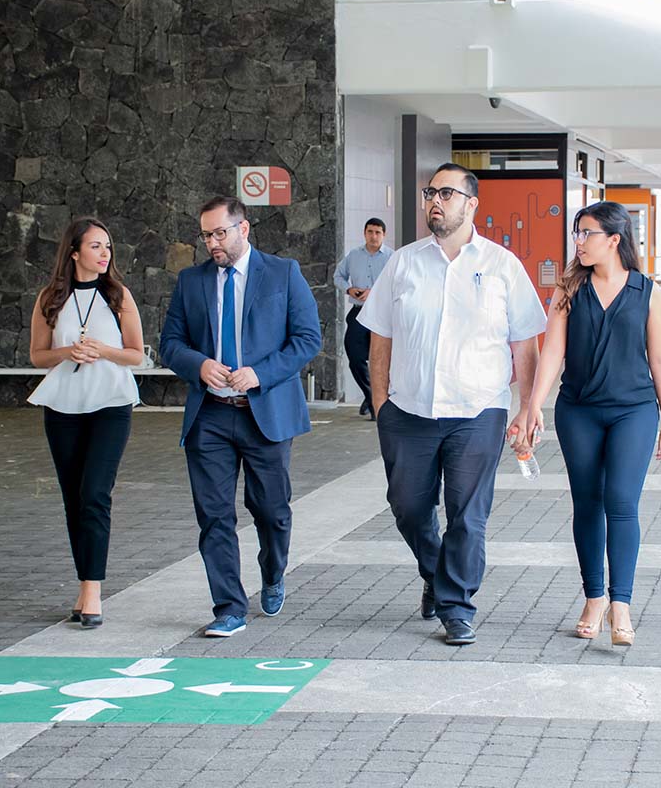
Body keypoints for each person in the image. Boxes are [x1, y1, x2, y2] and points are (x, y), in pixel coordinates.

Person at [360, 163, 547, 646]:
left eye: (446, 192)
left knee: (468, 513)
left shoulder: (503, 265)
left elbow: (525, 343)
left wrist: (528, 408)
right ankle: (438, 573)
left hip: (478, 409)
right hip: (407, 411)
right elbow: (379, 338)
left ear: (471, 204)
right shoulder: (403, 262)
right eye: (429, 192)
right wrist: (380, 403)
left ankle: (457, 606)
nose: (434, 201)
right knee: (407, 506)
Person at [516, 201, 661, 647]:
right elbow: (553, 352)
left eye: (586, 233)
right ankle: (594, 597)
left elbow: (659, 358)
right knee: (587, 503)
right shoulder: (568, 287)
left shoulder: (647, 291)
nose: (578, 242)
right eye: (576, 234)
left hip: (634, 411)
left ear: (614, 239)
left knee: (621, 501)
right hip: (579, 411)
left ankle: (621, 604)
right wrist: (533, 405)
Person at [160, 196, 321, 638]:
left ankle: (272, 572)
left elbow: (308, 338)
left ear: (243, 229)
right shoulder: (191, 282)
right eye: (206, 235)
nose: (212, 242)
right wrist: (198, 365)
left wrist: (259, 374)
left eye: (220, 233)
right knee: (214, 515)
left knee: (270, 510)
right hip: (210, 415)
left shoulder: (283, 273)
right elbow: (170, 342)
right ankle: (229, 607)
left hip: (264, 412)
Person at [28, 218, 143, 629]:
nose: (105, 253)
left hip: (111, 404)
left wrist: (103, 350)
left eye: (108, 246)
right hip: (62, 407)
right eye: (96, 246)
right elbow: (37, 356)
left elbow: (136, 355)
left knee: (95, 493)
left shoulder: (118, 295)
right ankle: (83, 584)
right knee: (73, 497)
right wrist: (66, 352)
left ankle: (92, 590)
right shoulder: (50, 297)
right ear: (74, 252)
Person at [333, 217, 392, 418]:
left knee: (381, 358)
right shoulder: (353, 255)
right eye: (370, 232)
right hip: (358, 313)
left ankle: (376, 403)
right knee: (355, 357)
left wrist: (374, 293)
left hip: (382, 313)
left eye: (377, 232)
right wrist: (349, 289)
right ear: (364, 233)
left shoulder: (392, 257)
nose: (373, 236)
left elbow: (398, 284)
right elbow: (337, 276)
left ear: (384, 235)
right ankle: (371, 396)